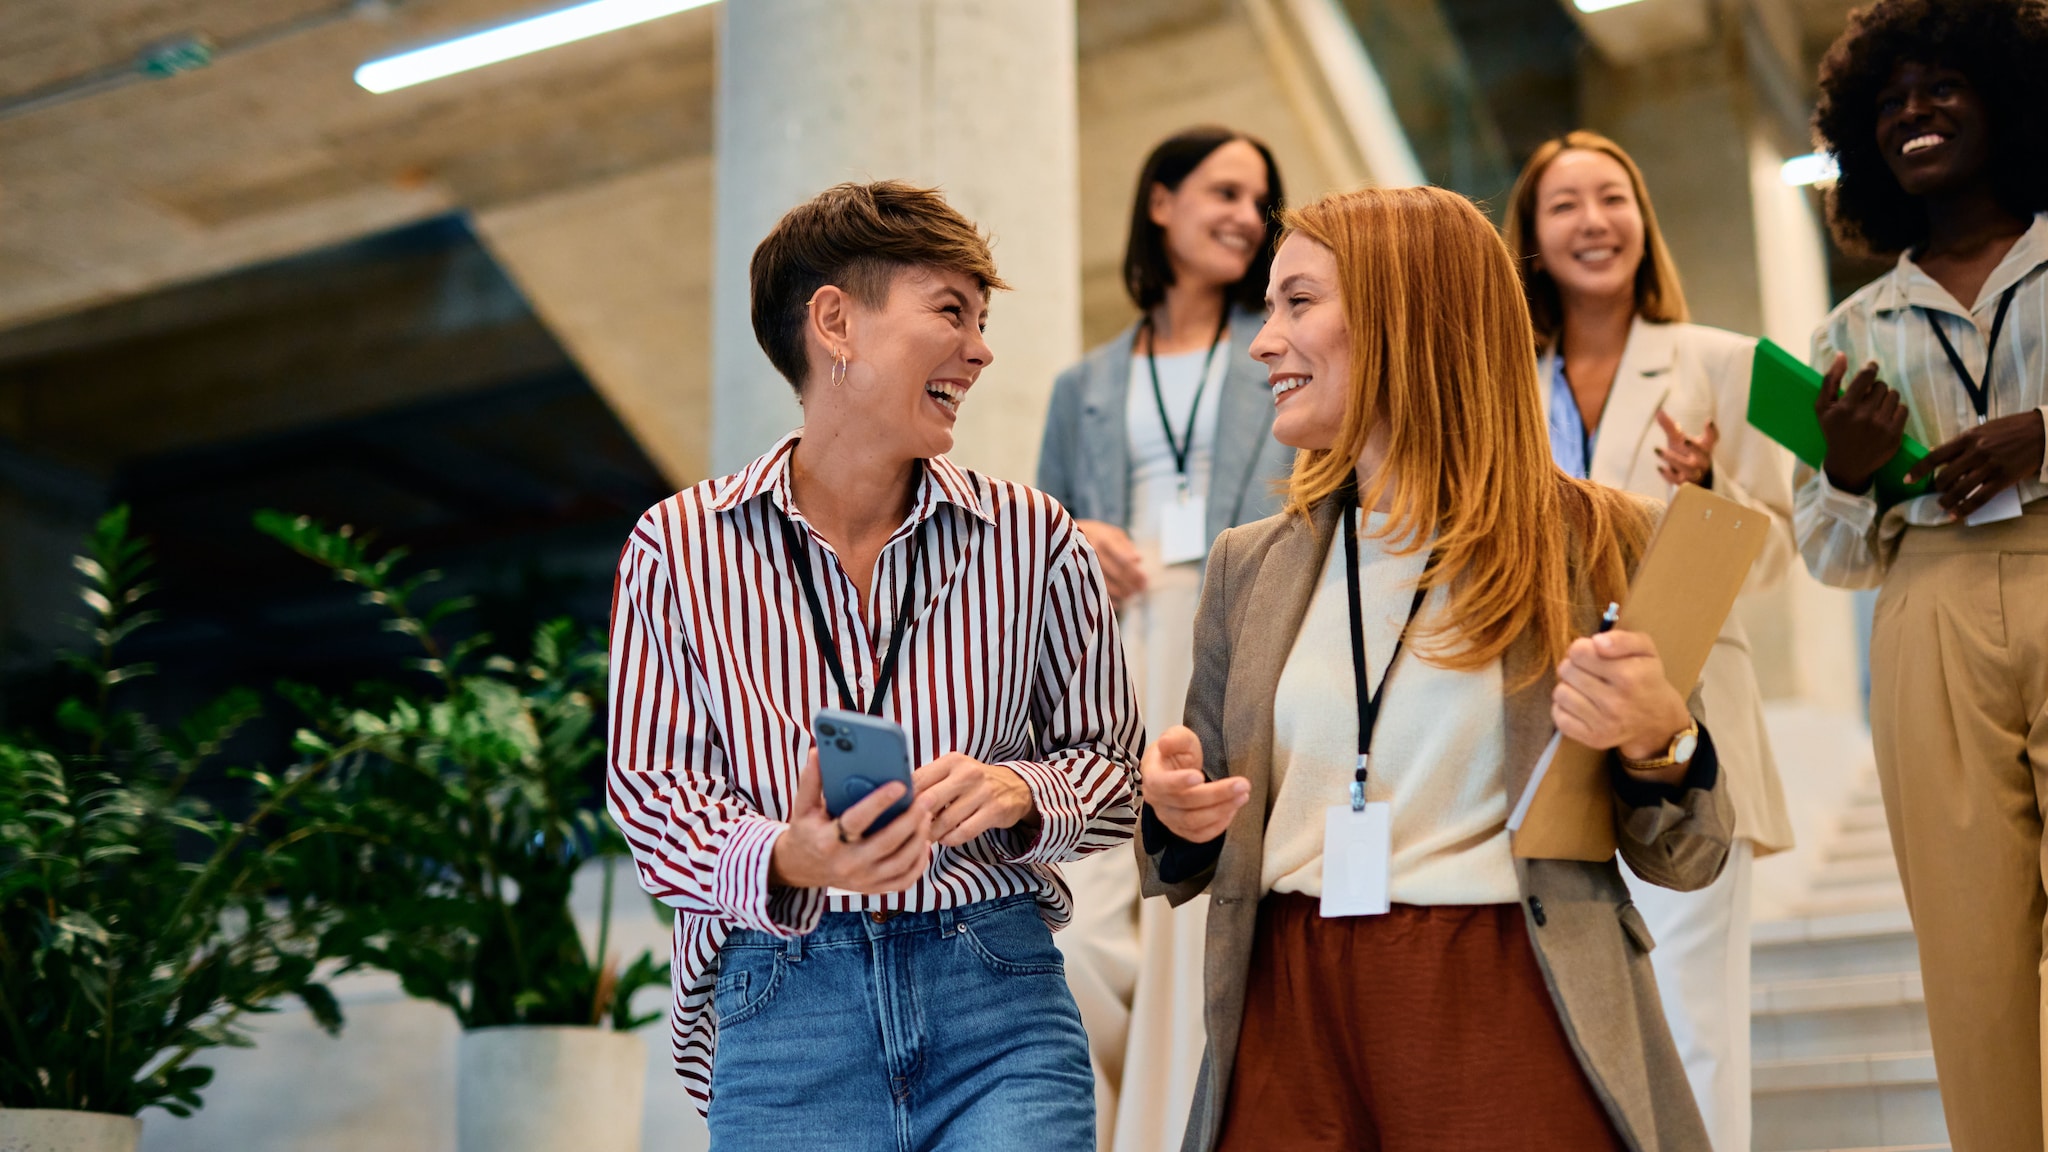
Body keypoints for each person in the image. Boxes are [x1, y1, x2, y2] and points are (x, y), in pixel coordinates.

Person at [1139, 185, 1732, 1152]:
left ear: (1405, 315)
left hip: (1503, 986)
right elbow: (1187, 838)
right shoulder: (1249, 565)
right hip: (1288, 1005)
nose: (1261, 339)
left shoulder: (1597, 541)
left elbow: (1691, 850)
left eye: (1298, 302)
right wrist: (1175, 809)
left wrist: (1660, 736)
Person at [605, 181, 1142, 1151]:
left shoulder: (1031, 538)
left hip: (996, 988)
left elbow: (1117, 771)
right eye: (950, 313)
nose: (979, 350)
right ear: (833, 322)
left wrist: (1016, 789)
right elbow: (649, 792)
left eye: (982, 323)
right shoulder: (677, 546)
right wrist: (784, 855)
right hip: (784, 998)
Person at [1503, 129, 1797, 1152]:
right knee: (1554, 1024)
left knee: (1691, 1022)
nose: (1592, 221)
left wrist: (1705, 498)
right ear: (1531, 241)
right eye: (1564, 205)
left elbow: (1778, 555)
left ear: (1642, 221)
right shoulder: (1500, 381)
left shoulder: (1723, 361)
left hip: (1683, 722)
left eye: (1612, 198)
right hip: (1539, 721)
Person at [1799, 1, 2048, 1146]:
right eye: (1889, 99)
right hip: (1926, 611)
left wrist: (2040, 429)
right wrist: (1850, 477)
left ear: (2003, 97)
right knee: (1968, 950)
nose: (1913, 110)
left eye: (1940, 85)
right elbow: (1826, 549)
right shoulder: (1848, 329)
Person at [1035, 126, 1292, 1152]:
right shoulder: (1084, 381)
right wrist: (1073, 537)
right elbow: (1035, 537)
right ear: (1159, 201)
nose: (1244, 215)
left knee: (1197, 915)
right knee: (1087, 922)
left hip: (1227, 633)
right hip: (1111, 647)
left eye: (1258, 200)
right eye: (1223, 191)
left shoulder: (1271, 349)